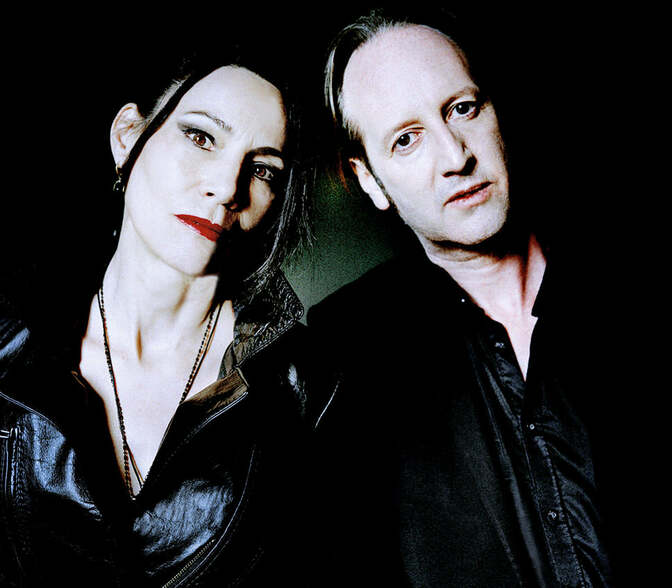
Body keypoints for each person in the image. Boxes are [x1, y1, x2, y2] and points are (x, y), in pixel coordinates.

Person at [309, 8, 636, 587]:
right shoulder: (344, 361)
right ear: (369, 180)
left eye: (462, 109)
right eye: (407, 140)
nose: (455, 156)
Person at [0, 38, 326, 587]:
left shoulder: (303, 387)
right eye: (201, 137)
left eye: (263, 170)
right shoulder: (12, 343)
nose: (226, 187)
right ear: (128, 136)